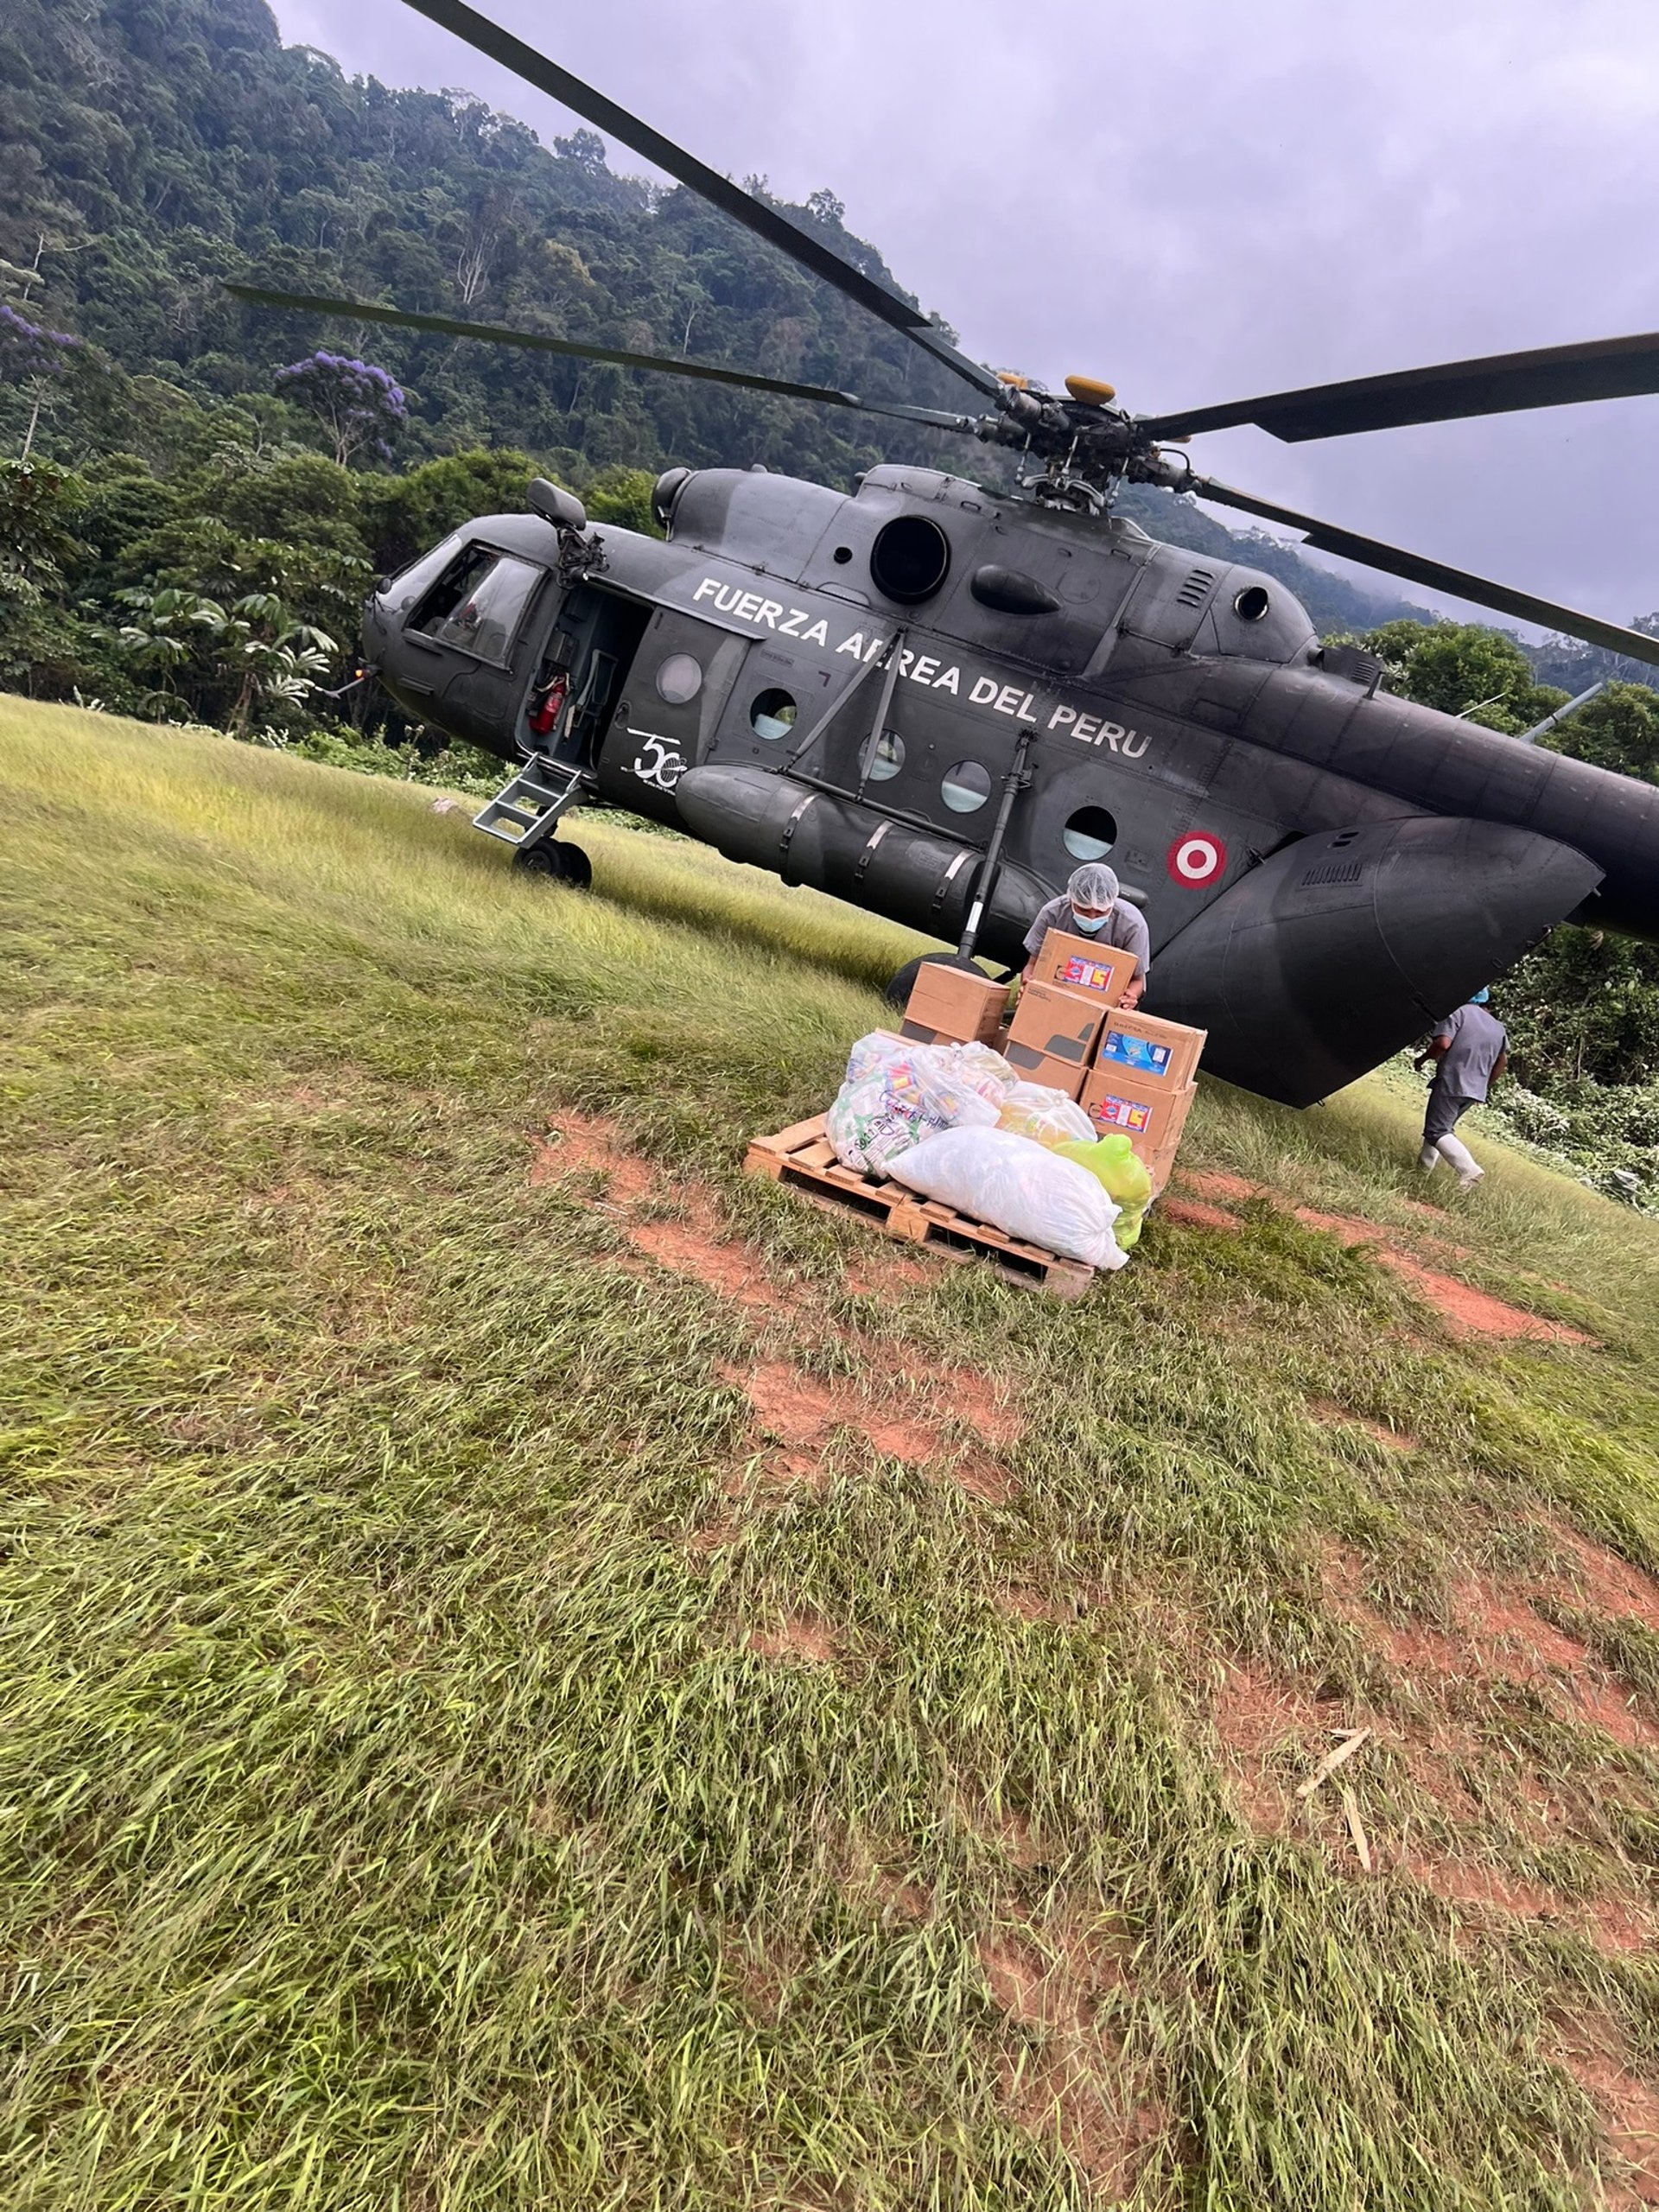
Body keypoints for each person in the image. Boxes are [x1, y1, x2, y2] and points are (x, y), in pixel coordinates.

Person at [1021, 862, 1150, 1009]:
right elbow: (1032, 963)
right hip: (1054, 998)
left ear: (1111, 903)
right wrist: (1028, 984)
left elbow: (1138, 980)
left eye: (1100, 912)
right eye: (1083, 910)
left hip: (1104, 1006)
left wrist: (1130, 997)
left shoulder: (1132, 924)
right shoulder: (1053, 913)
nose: (1092, 917)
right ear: (1072, 900)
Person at [1415, 988, 1508, 1191]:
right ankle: (1420, 1174)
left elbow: (1443, 1043)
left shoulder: (1457, 1012)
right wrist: (1485, 1084)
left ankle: (1469, 1170)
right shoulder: (1498, 1028)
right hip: (1475, 1090)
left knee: (1437, 1131)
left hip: (1453, 1081)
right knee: (1441, 1130)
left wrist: (1422, 1059)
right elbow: (1502, 1063)